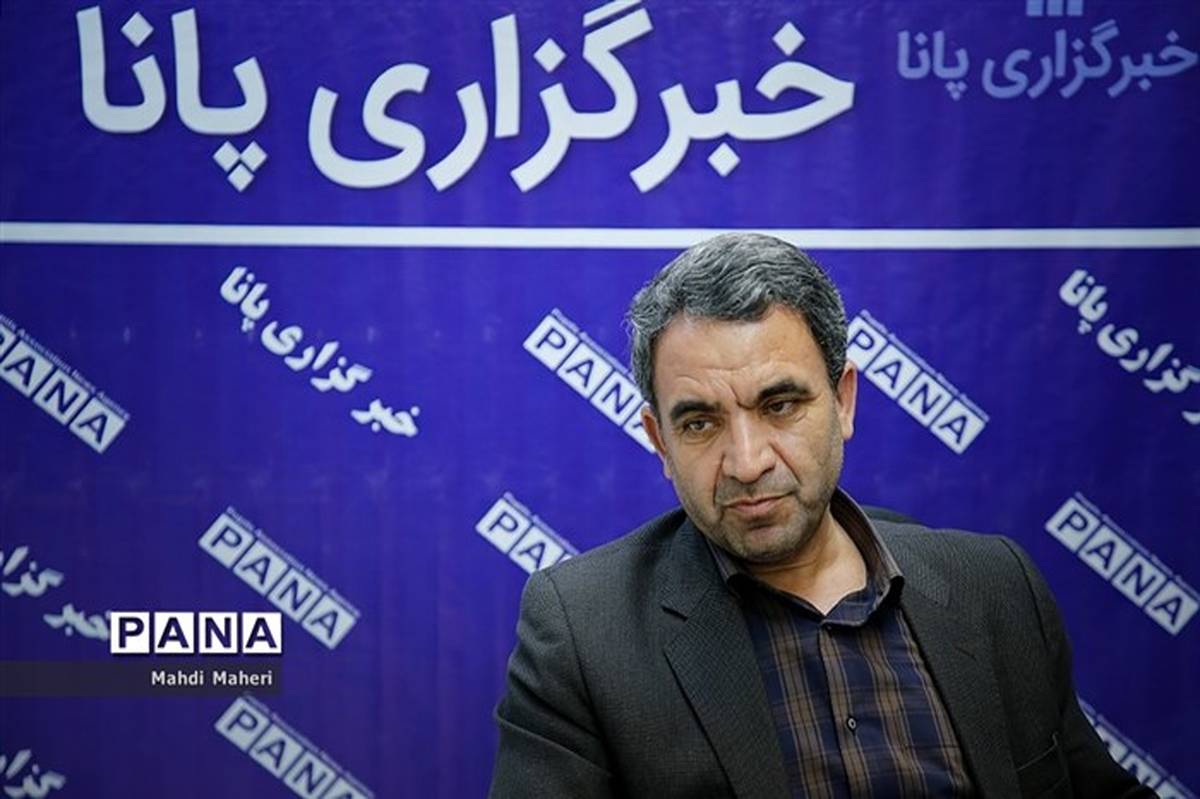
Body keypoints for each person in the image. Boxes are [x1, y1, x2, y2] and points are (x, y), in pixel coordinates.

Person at [489, 233, 1149, 798]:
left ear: (844, 401)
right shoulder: (585, 635)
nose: (747, 461)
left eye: (779, 406)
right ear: (661, 441)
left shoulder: (995, 586)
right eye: (700, 422)